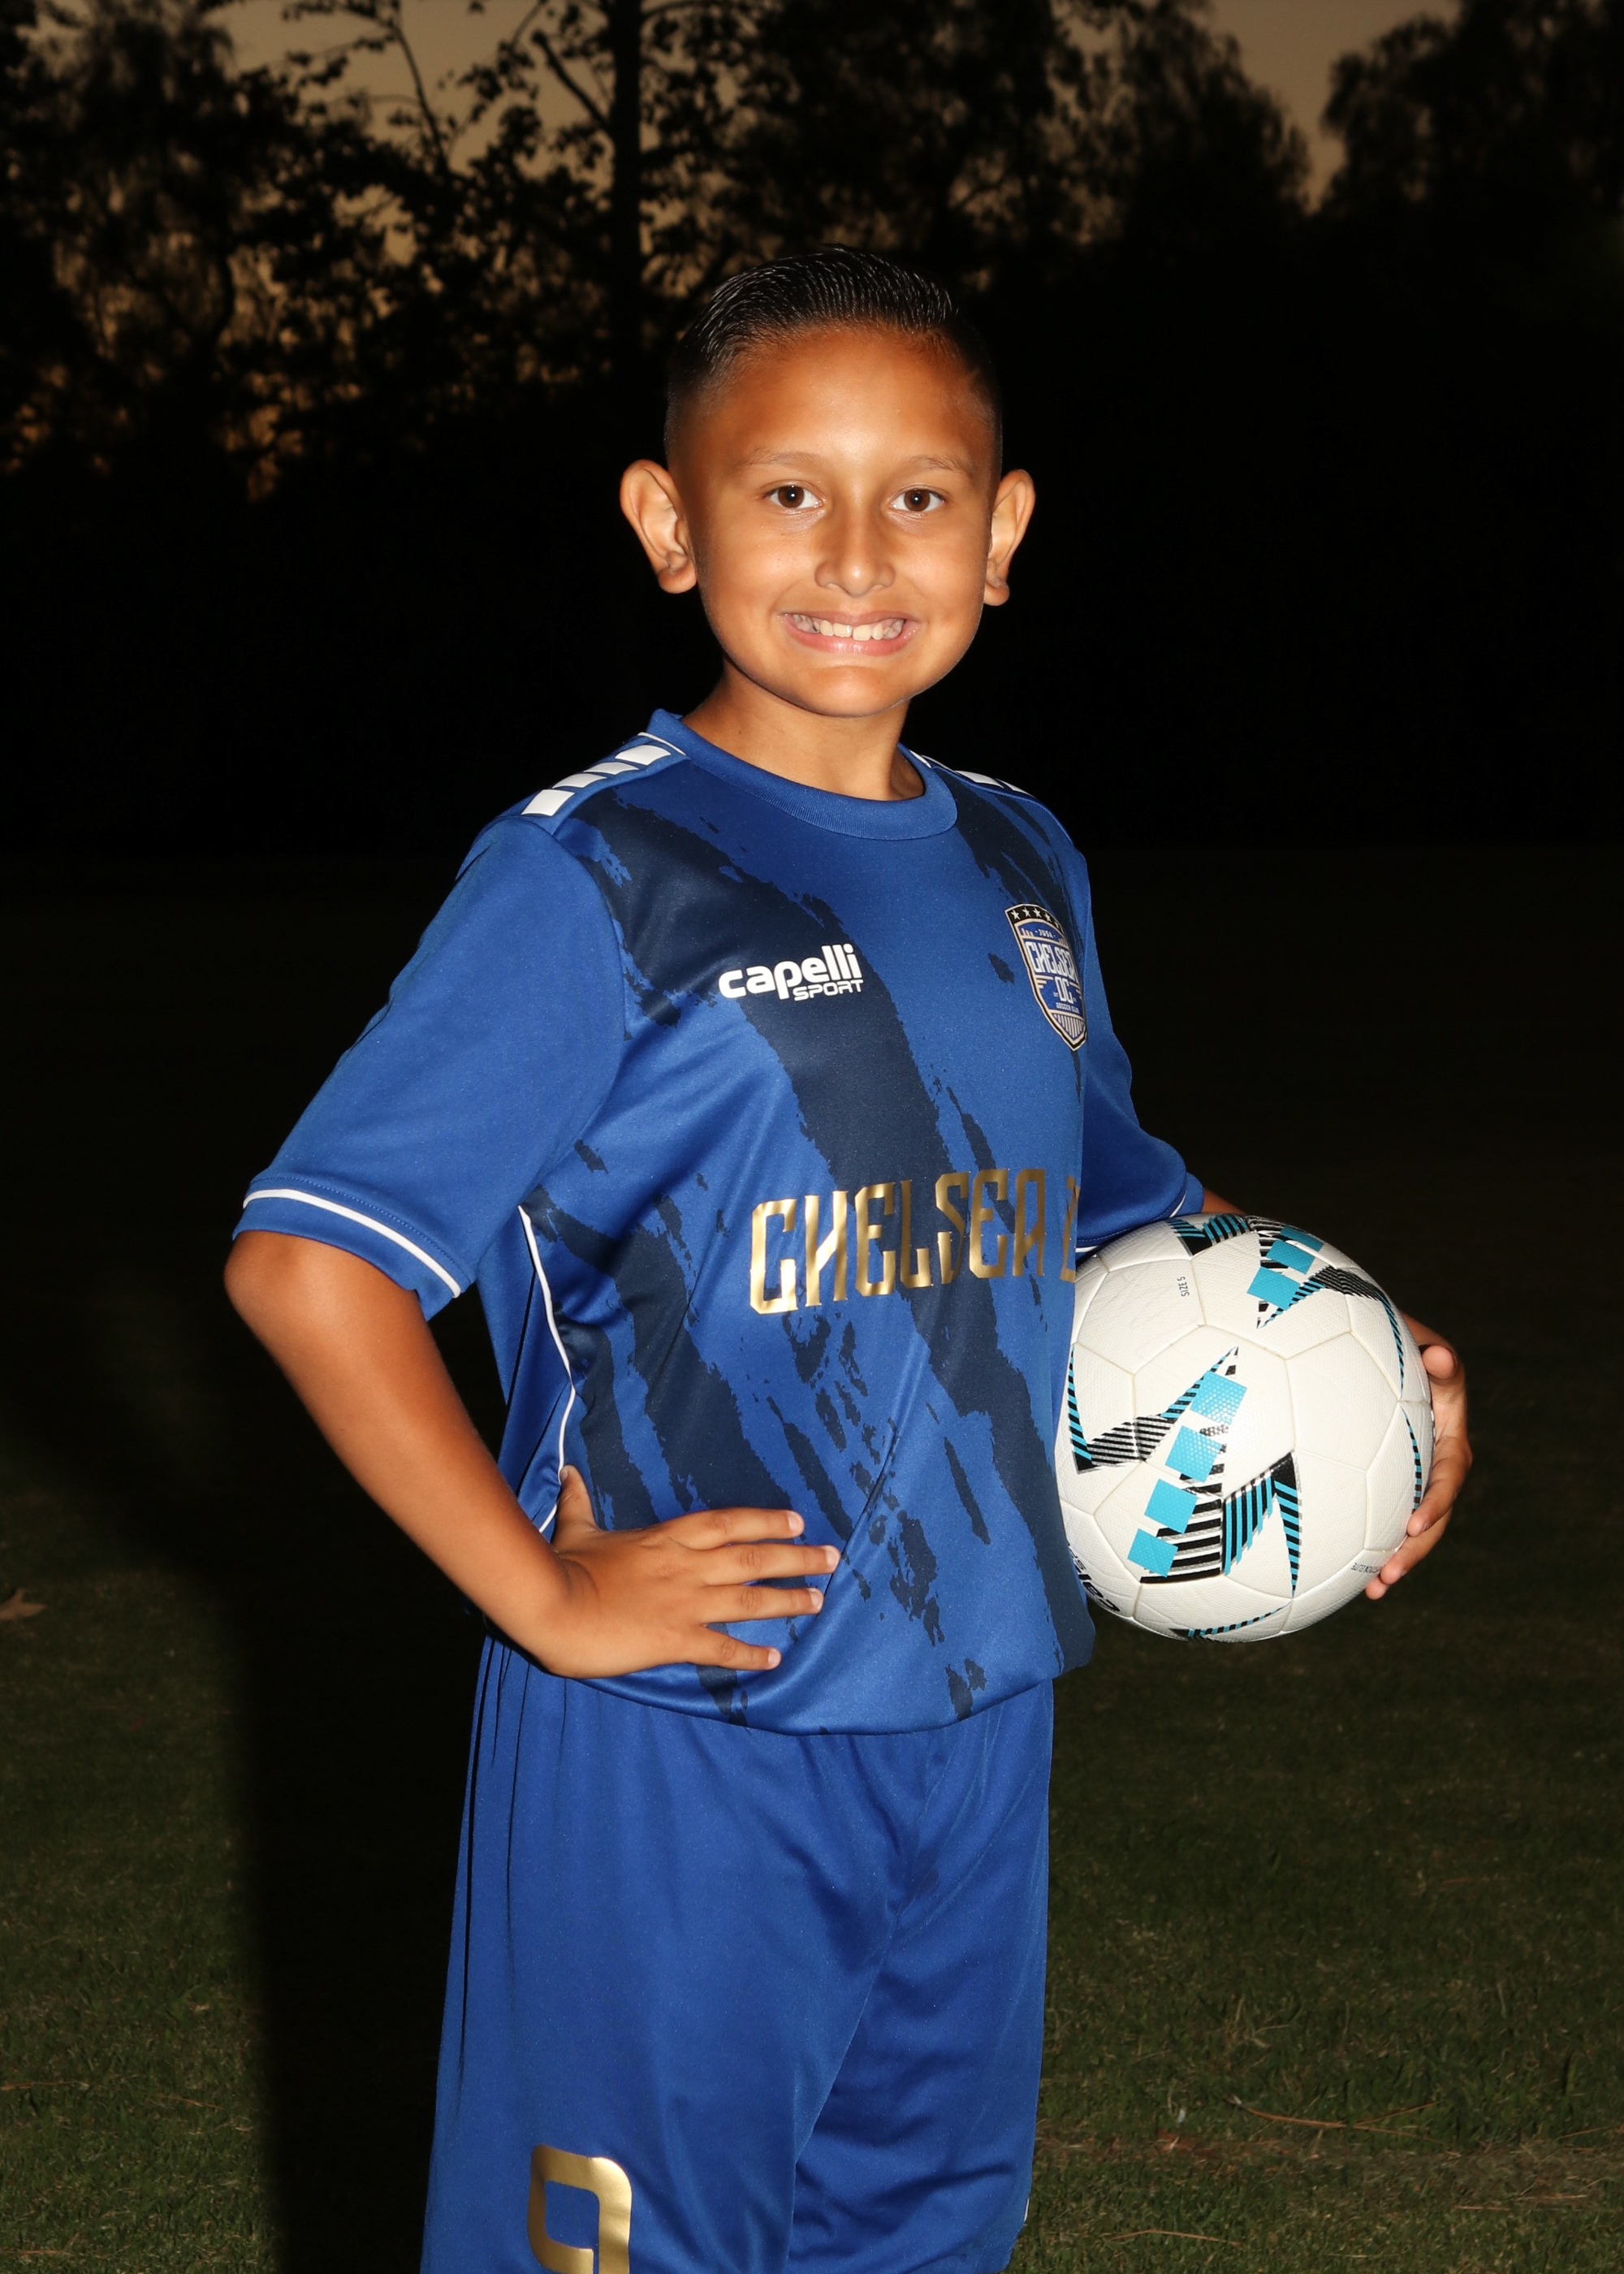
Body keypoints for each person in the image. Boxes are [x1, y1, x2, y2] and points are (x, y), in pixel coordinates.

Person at [225, 249, 1470, 2274]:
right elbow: (310, 1265)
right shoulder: (598, 873)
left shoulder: (1018, 856)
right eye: (788, 490)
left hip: (978, 1712)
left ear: (1004, 534)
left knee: (912, 2242)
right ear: (669, 522)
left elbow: (1114, 1209)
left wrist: (1354, 1361)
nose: (858, 552)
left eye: (920, 495)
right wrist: (542, 1590)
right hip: (686, 1733)